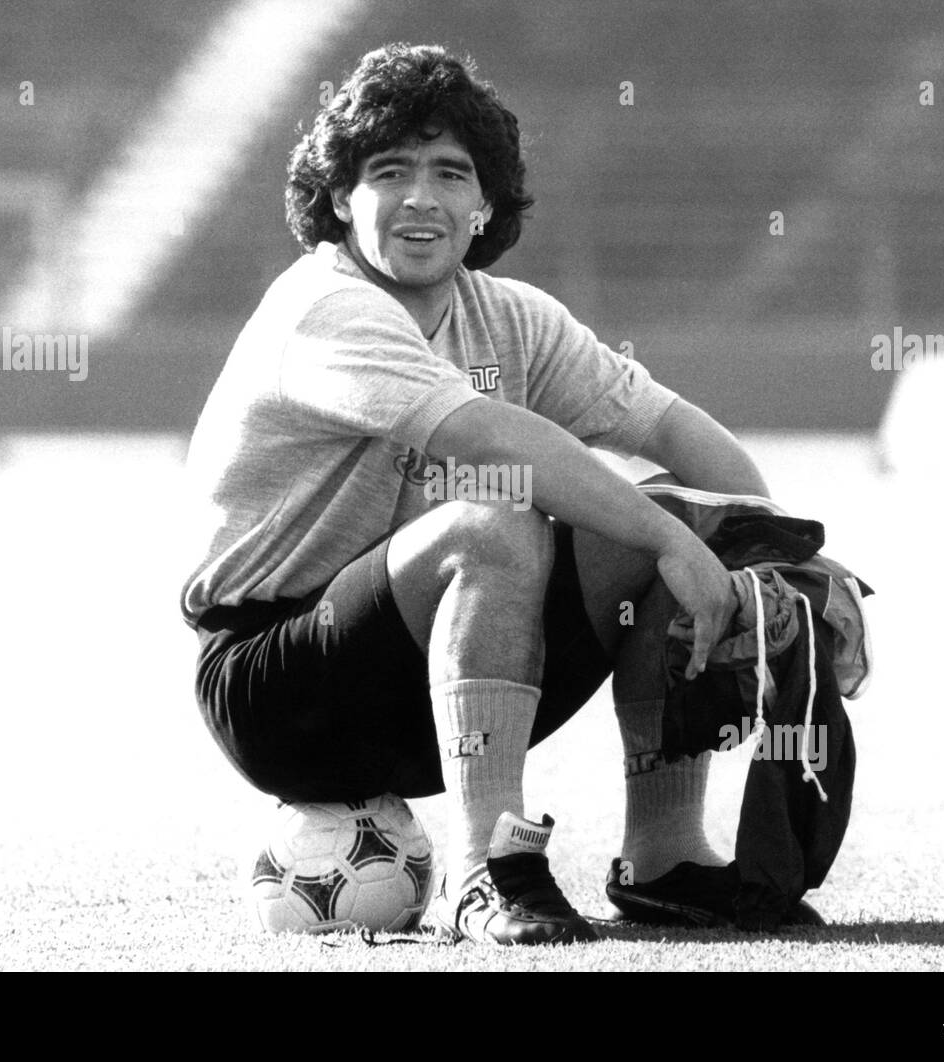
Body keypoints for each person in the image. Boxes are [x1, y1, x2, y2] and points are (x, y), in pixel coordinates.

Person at [180, 43, 773, 945]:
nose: (422, 197)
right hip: (276, 685)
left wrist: (771, 550)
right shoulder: (322, 305)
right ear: (342, 198)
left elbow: (667, 426)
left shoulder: (509, 316)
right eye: (390, 171)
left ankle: (666, 857)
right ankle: (487, 867)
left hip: (425, 677)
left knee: (679, 510)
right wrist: (670, 540)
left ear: (483, 201)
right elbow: (488, 437)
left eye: (450, 173)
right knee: (506, 519)